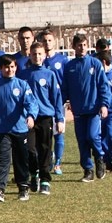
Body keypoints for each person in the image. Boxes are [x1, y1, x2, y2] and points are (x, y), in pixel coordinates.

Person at [0, 55, 37, 202]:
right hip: (2, 130)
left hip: (20, 129)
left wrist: (31, 116)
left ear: (16, 68)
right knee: (3, 158)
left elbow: (31, 103)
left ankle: (23, 188)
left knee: (21, 159)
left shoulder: (22, 85)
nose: (10, 70)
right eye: (6, 67)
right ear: (0, 68)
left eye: (12, 67)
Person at [61, 33, 110, 183]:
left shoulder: (95, 64)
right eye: (78, 45)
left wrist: (104, 105)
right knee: (82, 141)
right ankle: (88, 170)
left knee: (92, 136)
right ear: (74, 47)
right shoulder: (69, 66)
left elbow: (103, 86)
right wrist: (62, 102)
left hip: (94, 109)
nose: (82, 48)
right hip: (78, 111)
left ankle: (99, 158)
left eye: (84, 45)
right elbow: (65, 88)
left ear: (87, 46)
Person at [18, 42, 64, 196]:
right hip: (29, 118)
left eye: (39, 54)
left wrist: (60, 119)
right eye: (34, 54)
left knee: (44, 148)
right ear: (29, 55)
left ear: (44, 55)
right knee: (30, 149)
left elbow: (56, 98)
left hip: (45, 117)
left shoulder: (50, 75)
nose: (37, 57)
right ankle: (33, 174)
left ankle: (45, 180)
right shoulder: (23, 75)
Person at [39, 29, 68, 175]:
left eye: (49, 40)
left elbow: (67, 81)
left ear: (54, 41)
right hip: (43, 104)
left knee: (59, 132)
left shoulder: (62, 60)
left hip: (58, 102)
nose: (47, 43)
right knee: (45, 135)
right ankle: (48, 159)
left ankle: (58, 163)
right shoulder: (39, 60)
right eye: (44, 40)